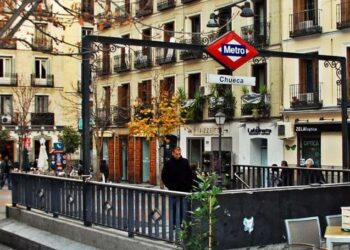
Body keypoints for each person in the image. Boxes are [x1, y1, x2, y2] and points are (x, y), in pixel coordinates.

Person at [161, 147, 193, 228]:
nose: (178, 155)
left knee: (183, 208)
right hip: (173, 190)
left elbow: (190, 175)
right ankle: (173, 224)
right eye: (176, 154)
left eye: (179, 154)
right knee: (173, 207)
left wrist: (188, 186)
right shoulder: (168, 163)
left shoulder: (185, 162)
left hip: (184, 190)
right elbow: (164, 176)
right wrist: (170, 186)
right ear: (172, 153)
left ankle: (182, 224)